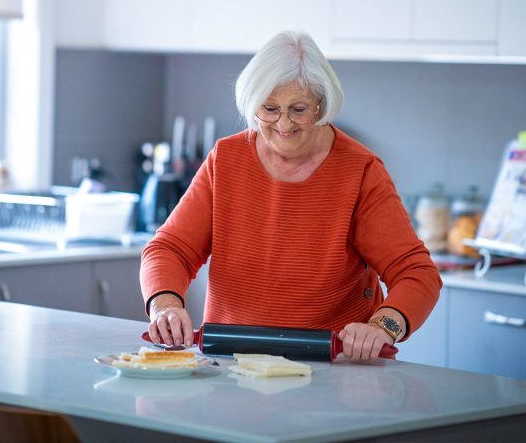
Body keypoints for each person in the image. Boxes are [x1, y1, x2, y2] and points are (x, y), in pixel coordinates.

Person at [140, 31, 442, 362]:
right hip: (234, 363)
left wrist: (382, 328)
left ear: (322, 106)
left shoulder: (360, 171)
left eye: (299, 109)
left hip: (336, 366)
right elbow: (170, 249)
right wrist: (164, 305)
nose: (283, 123)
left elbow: (416, 273)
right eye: (269, 108)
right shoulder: (226, 159)